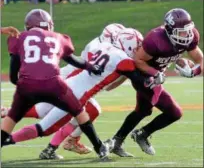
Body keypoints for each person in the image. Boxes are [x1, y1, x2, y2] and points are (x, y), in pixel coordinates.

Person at [3, 28, 146, 159]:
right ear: (129, 44)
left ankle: (96, 146)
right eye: (138, 46)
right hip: (75, 96)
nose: (139, 49)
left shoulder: (103, 47)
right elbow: (141, 82)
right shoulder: (125, 62)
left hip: (66, 84)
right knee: (44, 129)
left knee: (47, 111)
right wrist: (154, 76)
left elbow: (90, 60)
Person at [1, 8, 112, 160]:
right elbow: (74, 60)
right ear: (48, 25)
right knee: (80, 113)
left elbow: (14, 72)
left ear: (28, 25)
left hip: (27, 85)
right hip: (54, 85)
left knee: (11, 118)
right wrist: (91, 67)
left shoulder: (19, 38)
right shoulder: (59, 38)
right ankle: (99, 148)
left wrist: (19, 84)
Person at [105, 8, 203, 156]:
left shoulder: (191, 36)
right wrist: (155, 73)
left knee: (143, 110)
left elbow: (200, 59)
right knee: (174, 112)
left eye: (188, 30)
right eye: (181, 32)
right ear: (170, 30)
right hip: (144, 76)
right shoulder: (155, 39)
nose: (186, 35)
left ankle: (117, 141)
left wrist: (194, 71)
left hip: (157, 75)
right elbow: (137, 60)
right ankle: (142, 134)